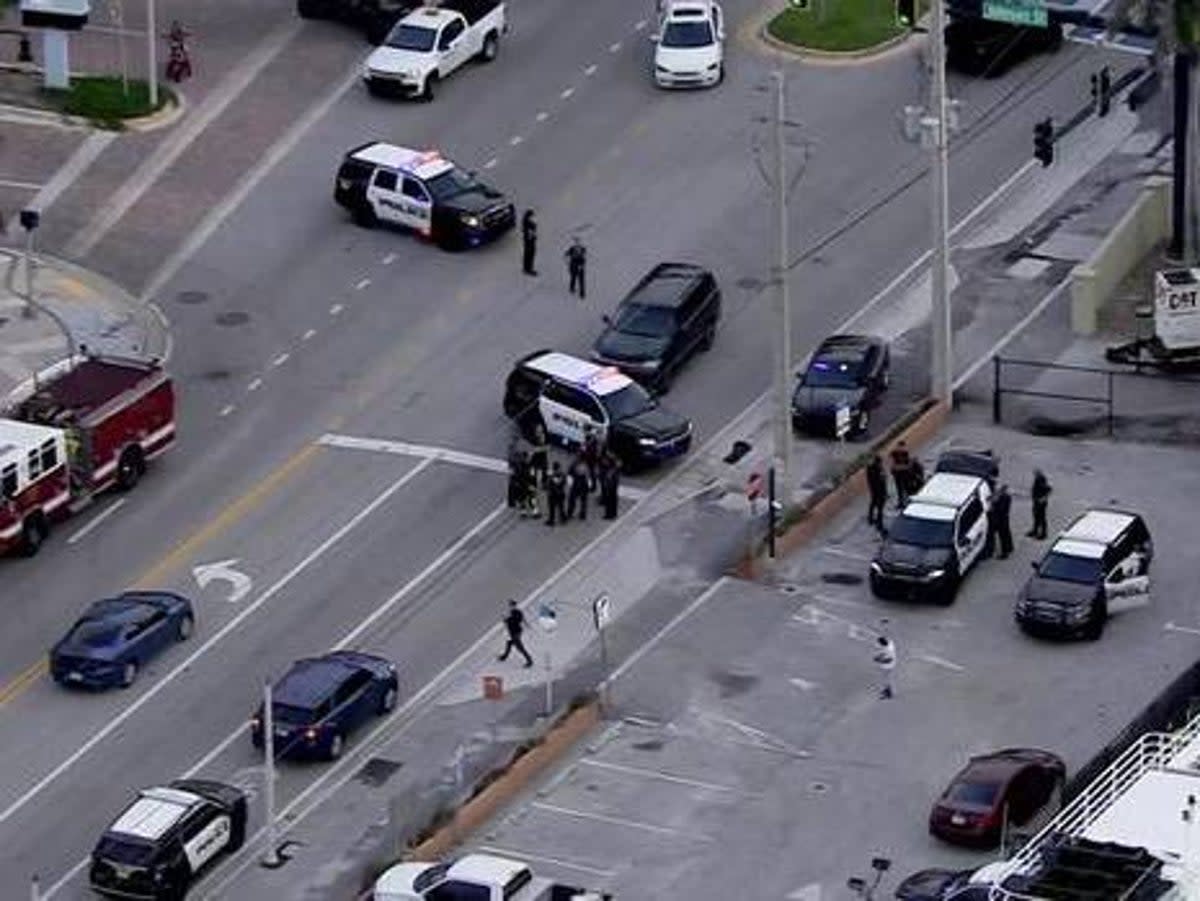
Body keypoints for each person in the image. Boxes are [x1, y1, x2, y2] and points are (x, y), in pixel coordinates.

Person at [498, 600, 533, 667]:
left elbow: (514, 621)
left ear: (514, 606)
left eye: (511, 605)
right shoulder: (515, 612)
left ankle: (529, 661)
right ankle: (504, 656)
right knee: (509, 644)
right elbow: (521, 620)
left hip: (515, 633)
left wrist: (506, 620)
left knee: (520, 648)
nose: (510, 607)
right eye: (510, 605)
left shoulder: (515, 613)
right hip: (514, 632)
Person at [989, 483, 1014, 558]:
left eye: (999, 490)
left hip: (1001, 519)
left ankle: (1005, 553)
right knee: (1007, 533)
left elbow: (1000, 509)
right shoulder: (1007, 496)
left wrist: (994, 503)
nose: (998, 491)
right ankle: (1010, 547)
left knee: (1003, 536)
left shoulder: (1004, 498)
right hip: (1004, 518)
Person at [865, 454, 887, 533]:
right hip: (879, 491)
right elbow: (882, 481)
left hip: (873, 490)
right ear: (879, 462)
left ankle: (870, 518)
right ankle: (879, 524)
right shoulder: (878, 470)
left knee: (873, 504)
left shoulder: (870, 468)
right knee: (880, 508)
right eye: (881, 463)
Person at [1028, 469, 1051, 539]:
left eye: (1036, 474)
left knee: (1041, 518)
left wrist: (1044, 498)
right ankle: (1035, 531)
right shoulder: (1038, 480)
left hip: (1040, 503)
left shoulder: (1041, 481)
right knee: (1036, 517)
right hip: (1036, 501)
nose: (1034, 476)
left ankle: (1043, 534)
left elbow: (1049, 489)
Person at [566, 456, 590, 522]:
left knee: (572, 499)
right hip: (583, 484)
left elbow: (569, 472)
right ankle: (582, 514)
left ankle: (570, 513)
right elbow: (587, 476)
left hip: (577, 484)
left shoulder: (574, 464)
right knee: (583, 501)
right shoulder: (585, 466)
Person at [873, 633, 897, 699]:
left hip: (888, 666)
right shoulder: (890, 643)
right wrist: (880, 656)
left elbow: (889, 659)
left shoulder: (889, 650)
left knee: (886, 680)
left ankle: (888, 693)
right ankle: (887, 690)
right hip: (887, 665)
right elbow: (883, 652)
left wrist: (879, 660)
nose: (878, 645)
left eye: (879, 644)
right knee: (885, 679)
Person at [889, 441, 912, 508]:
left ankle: (907, 501)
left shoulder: (905, 453)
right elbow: (892, 463)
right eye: (900, 447)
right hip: (898, 474)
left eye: (902, 447)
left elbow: (908, 465)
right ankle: (901, 502)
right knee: (899, 489)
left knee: (906, 488)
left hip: (904, 473)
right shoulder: (894, 453)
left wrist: (900, 467)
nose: (901, 448)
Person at [545, 461, 568, 526]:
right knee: (561, 507)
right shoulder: (562, 475)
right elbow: (564, 482)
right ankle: (563, 518)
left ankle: (552, 520)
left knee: (552, 508)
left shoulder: (552, 476)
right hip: (560, 493)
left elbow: (549, 484)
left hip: (553, 494)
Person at [598, 452, 620, 520]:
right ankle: (613, 513)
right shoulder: (614, 468)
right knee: (613, 498)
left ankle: (609, 514)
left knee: (610, 499)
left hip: (611, 485)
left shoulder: (611, 470)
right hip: (613, 484)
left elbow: (608, 478)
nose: (604, 462)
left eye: (605, 461)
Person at [528, 423, 549, 488]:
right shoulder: (533, 437)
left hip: (541, 458)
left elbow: (547, 447)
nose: (539, 431)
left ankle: (541, 484)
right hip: (535, 458)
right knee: (532, 471)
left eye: (540, 429)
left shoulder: (544, 436)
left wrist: (538, 449)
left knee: (541, 471)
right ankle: (532, 484)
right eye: (538, 429)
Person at [521, 209, 538, 276]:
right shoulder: (529, 224)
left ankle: (526, 268)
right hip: (530, 241)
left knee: (527, 254)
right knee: (530, 255)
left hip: (527, 241)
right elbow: (530, 233)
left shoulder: (525, 222)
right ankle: (529, 269)